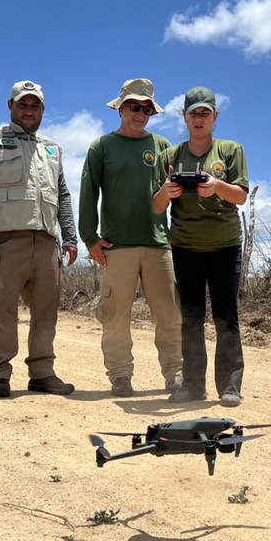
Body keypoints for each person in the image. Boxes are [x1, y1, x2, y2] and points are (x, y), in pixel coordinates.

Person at [0, 80, 78, 398]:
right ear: (10, 105)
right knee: (2, 310)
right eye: (22, 104)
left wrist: (69, 237)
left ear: (42, 109)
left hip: (46, 243)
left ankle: (42, 374)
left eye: (35, 105)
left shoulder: (52, 148)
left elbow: (63, 195)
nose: (28, 111)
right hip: (5, 241)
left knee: (46, 311)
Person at [79, 78, 182, 397]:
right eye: (135, 107)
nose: (140, 114)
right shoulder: (101, 146)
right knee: (115, 315)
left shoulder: (163, 146)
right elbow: (88, 194)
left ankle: (176, 375)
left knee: (170, 314)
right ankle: (120, 376)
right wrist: (89, 237)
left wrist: (179, 237)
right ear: (120, 108)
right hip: (115, 246)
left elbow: (176, 193)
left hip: (158, 244)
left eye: (147, 109)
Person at [153, 87, 249, 408]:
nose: (198, 119)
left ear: (215, 116)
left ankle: (230, 386)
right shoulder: (169, 157)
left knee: (226, 318)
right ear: (184, 117)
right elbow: (156, 205)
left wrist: (216, 185)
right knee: (191, 319)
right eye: (193, 113)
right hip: (185, 248)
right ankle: (193, 386)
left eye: (205, 113)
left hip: (225, 246)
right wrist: (168, 191)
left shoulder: (231, 150)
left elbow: (240, 196)